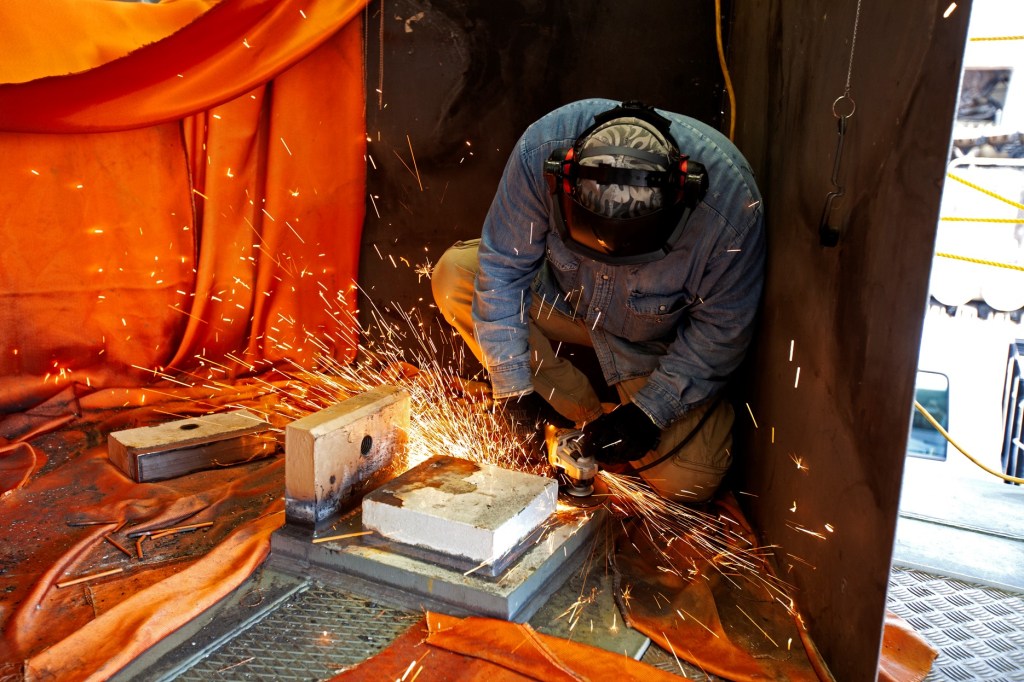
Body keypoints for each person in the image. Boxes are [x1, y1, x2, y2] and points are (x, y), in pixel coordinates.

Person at [431, 99, 764, 503]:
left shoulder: (729, 209)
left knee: (691, 478)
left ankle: (618, 418)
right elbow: (503, 270)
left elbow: (720, 334)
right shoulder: (541, 152)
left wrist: (649, 414)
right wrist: (513, 387)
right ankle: (580, 416)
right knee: (456, 276)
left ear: (682, 198)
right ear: (564, 178)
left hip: (652, 339)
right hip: (564, 298)